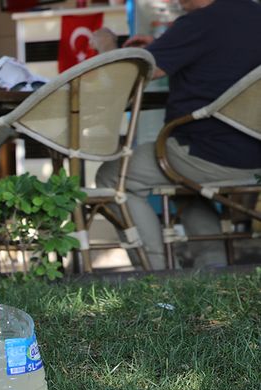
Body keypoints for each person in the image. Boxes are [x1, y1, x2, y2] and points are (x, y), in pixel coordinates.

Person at [95, 0, 261, 269]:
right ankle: (213, 268)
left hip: (204, 156)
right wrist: (164, 43)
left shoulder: (198, 23)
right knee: (184, 185)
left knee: (113, 176)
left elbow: (132, 74)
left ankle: (154, 274)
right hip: (254, 161)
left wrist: (106, 45)